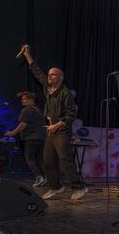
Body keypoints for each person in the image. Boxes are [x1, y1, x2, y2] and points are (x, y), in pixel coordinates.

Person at [19, 45, 87, 201]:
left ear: (60, 78)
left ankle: (79, 187)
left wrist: (57, 125)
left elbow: (72, 114)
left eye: (53, 74)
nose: (49, 76)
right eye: (49, 74)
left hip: (61, 129)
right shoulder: (48, 87)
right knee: (48, 160)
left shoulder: (65, 93)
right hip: (51, 129)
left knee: (64, 159)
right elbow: (37, 72)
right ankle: (56, 187)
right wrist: (27, 55)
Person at [5, 91, 46, 187]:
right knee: (39, 159)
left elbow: (23, 124)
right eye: (22, 99)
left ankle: (39, 177)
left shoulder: (27, 110)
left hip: (31, 138)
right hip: (41, 138)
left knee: (29, 158)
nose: (22, 101)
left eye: (24, 99)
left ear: (31, 100)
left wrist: (12, 133)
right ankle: (46, 177)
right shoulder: (38, 110)